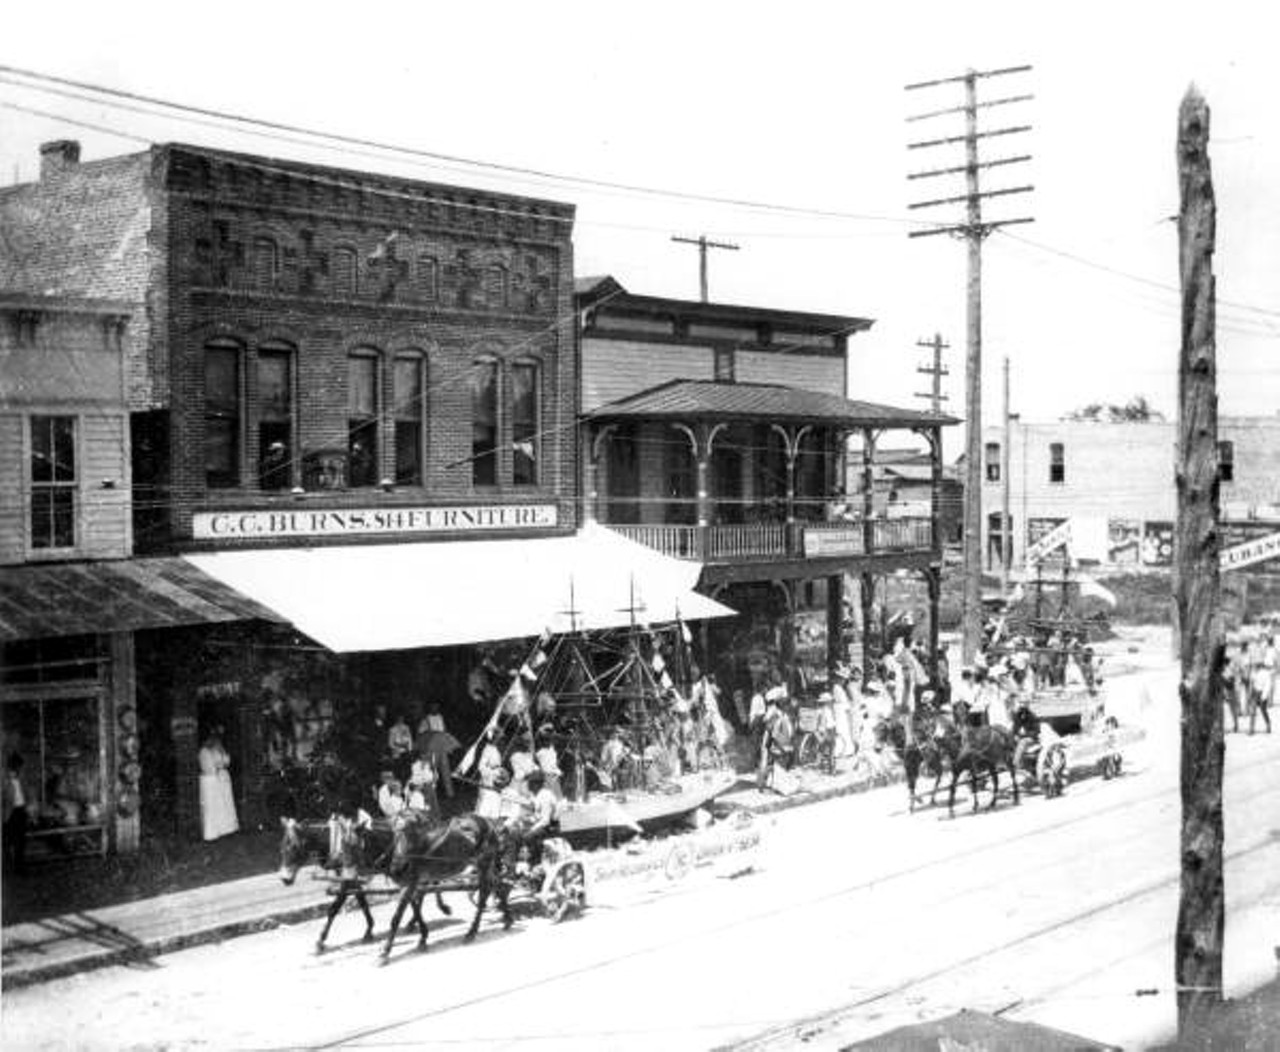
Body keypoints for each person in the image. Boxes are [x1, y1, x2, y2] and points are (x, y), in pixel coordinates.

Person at [198, 726, 239, 841]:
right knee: (211, 807)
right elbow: (209, 766)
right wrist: (218, 765)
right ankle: (211, 833)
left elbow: (226, 761)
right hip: (210, 780)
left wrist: (221, 763)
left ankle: (224, 829)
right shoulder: (204, 751)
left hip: (219, 779)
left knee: (222, 805)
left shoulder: (218, 750)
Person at [519, 770, 560, 872]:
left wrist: (531, 829)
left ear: (536, 784)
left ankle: (535, 863)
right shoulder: (535, 795)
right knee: (516, 832)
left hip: (549, 827)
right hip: (540, 824)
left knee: (529, 836)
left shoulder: (545, 795)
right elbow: (536, 814)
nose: (527, 785)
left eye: (529, 782)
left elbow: (545, 820)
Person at [417, 704, 460, 799]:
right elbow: (421, 733)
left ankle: (450, 793)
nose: (435, 708)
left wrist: (448, 744)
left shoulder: (441, 717)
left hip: (442, 747)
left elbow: (445, 731)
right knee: (432, 771)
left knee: (446, 770)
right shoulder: (426, 719)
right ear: (430, 707)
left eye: (437, 706)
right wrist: (431, 733)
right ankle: (430, 794)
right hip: (432, 748)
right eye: (433, 706)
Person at [3, 753, 29, 874]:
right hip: (10, 813)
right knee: (7, 842)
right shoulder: (4, 781)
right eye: (19, 767)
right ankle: (7, 867)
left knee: (21, 841)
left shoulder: (21, 780)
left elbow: (26, 795)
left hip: (21, 811)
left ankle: (19, 867)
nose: (20, 770)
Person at [1010, 695, 1042, 788]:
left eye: (1024, 703)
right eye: (1021, 703)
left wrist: (1023, 736)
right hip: (1021, 737)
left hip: (1031, 738)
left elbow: (1036, 731)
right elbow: (1015, 728)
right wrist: (1014, 735)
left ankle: (1016, 764)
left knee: (1022, 742)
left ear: (1028, 705)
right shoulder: (1017, 715)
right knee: (1009, 741)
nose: (1022, 705)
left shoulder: (1032, 716)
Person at [475, 730, 506, 819]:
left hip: (494, 780)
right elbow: (481, 766)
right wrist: (493, 772)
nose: (501, 740)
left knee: (493, 802)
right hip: (488, 780)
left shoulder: (494, 749)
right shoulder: (488, 750)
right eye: (499, 738)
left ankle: (490, 820)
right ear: (494, 738)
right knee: (485, 803)